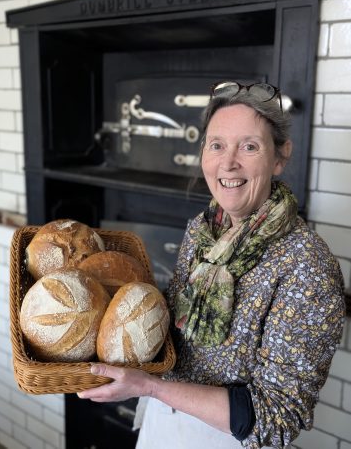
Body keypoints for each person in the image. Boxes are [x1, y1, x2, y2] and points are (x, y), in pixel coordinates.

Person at [78, 81, 345, 449]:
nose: (228, 162)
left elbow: (278, 416)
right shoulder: (203, 231)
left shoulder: (307, 266)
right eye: (216, 145)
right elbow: (176, 342)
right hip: (161, 423)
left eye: (249, 147)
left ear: (280, 156)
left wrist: (149, 385)